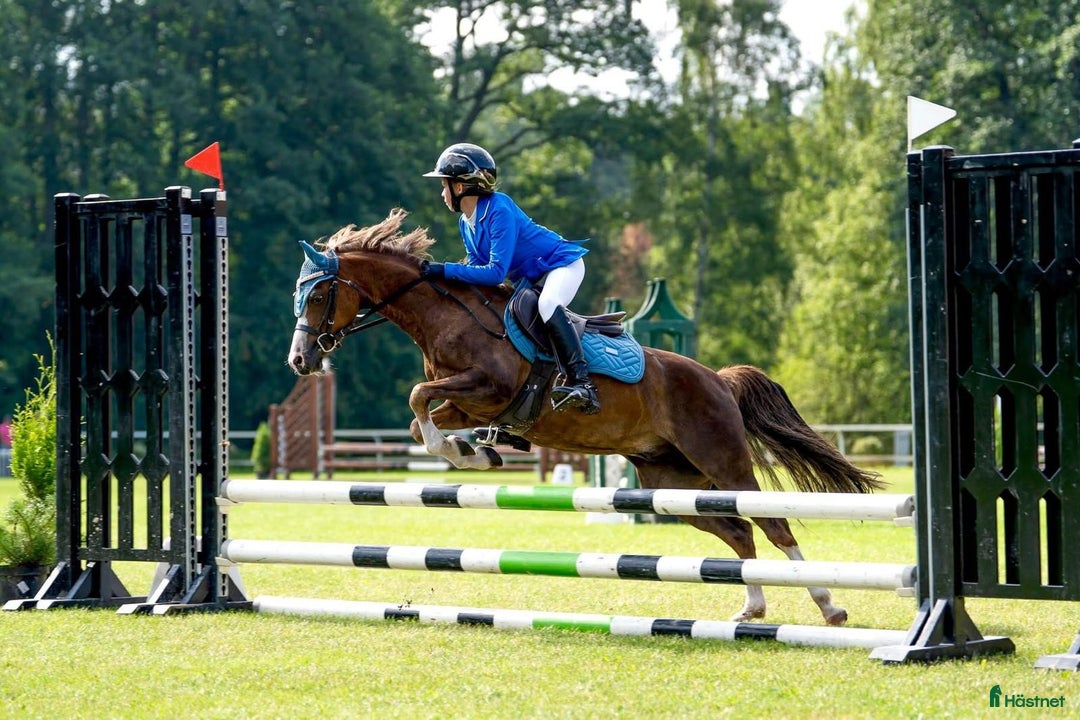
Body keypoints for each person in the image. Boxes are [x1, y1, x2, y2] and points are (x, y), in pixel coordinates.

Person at [421, 142, 600, 415]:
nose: (442, 193)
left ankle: (581, 383)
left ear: (460, 187)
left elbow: (494, 273)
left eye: (444, 185)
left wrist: (444, 269)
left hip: (561, 265)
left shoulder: (499, 208)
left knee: (548, 305)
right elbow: (477, 267)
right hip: (530, 280)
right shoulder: (465, 222)